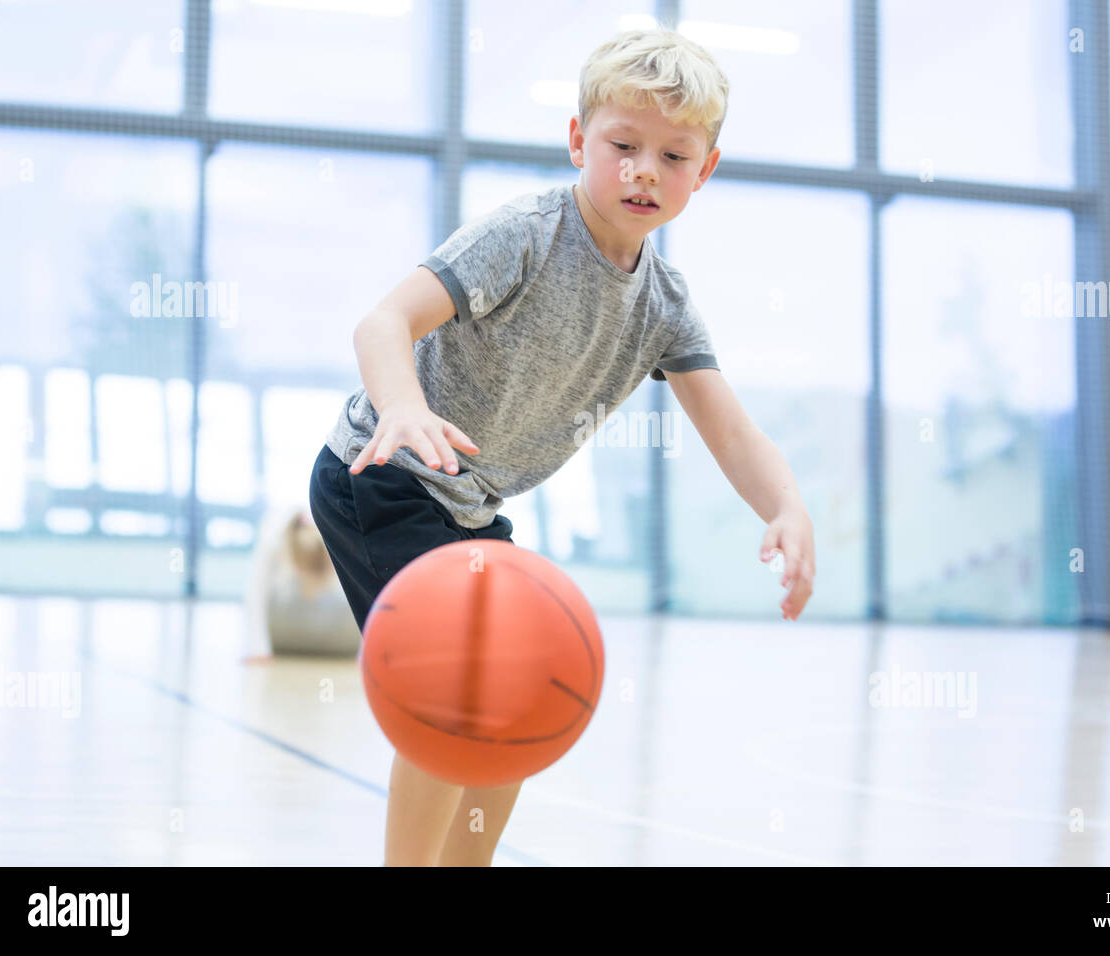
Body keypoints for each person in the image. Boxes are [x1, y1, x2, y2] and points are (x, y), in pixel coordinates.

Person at [308, 27, 816, 867]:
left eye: (673, 156)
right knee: (455, 696)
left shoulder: (664, 307)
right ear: (580, 140)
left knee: (509, 702)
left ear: (706, 170)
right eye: (623, 146)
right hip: (382, 474)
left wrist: (787, 506)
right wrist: (402, 407)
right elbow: (383, 321)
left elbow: (730, 430)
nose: (644, 171)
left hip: (465, 505)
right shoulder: (527, 235)